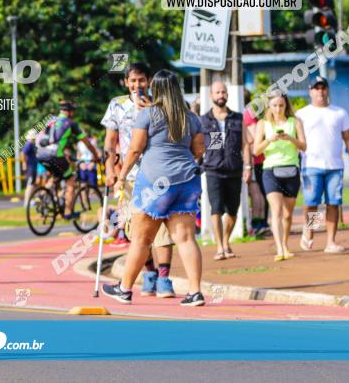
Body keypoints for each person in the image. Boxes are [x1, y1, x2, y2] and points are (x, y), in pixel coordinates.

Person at [103, 69, 206, 307]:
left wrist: (122, 176)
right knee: (186, 238)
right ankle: (195, 292)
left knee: (141, 238)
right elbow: (199, 150)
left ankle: (125, 289)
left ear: (155, 89)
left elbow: (135, 149)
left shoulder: (148, 114)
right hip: (187, 180)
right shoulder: (190, 117)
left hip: (155, 182)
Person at [101, 62, 176, 296]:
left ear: (149, 81)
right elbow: (110, 141)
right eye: (132, 81)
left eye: (141, 80)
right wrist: (110, 169)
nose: (137, 85)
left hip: (158, 176)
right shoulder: (117, 105)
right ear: (125, 82)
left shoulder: (160, 103)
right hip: (129, 176)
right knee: (136, 231)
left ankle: (164, 278)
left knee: (161, 227)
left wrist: (150, 109)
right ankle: (150, 272)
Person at [296, 77, 349, 253]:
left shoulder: (340, 113)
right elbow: (296, 141)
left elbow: (348, 139)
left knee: (333, 203)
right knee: (312, 202)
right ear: (310, 91)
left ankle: (330, 241)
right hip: (311, 165)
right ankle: (310, 231)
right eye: (316, 88)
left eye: (323, 88)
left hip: (335, 166)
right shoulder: (302, 114)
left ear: (327, 90)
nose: (320, 92)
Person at [200, 81, 252, 261]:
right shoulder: (204, 120)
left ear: (227, 94)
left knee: (232, 210)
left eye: (223, 92)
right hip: (213, 169)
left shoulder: (238, 118)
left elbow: (245, 143)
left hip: (234, 169)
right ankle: (220, 247)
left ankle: (226, 240)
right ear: (211, 96)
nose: (220, 95)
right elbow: (199, 146)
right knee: (216, 208)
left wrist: (248, 166)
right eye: (217, 92)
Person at [253, 90, 306, 261]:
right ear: (269, 105)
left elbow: (304, 146)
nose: (278, 109)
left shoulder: (295, 122)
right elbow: (256, 151)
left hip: (291, 170)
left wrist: (290, 138)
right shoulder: (262, 124)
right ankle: (279, 249)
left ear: (286, 105)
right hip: (270, 170)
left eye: (281, 105)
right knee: (276, 210)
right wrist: (270, 140)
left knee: (288, 214)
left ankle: (285, 243)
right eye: (274, 105)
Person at [35, 100, 100, 219]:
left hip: (40, 154)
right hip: (54, 155)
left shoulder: (50, 120)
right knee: (70, 179)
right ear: (69, 112)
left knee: (56, 176)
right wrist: (96, 156)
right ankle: (68, 212)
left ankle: (41, 196)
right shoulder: (71, 123)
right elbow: (88, 144)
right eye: (73, 111)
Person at [243, 89, 270, 236]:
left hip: (256, 160)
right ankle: (261, 222)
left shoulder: (247, 114)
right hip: (257, 159)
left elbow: (253, 138)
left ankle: (259, 222)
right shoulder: (250, 113)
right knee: (259, 191)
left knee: (257, 191)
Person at [20, 129, 38, 206]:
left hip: (33, 167)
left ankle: (31, 201)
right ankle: (26, 202)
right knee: (30, 185)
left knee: (32, 185)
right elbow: (23, 153)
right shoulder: (29, 144)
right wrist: (24, 163)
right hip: (30, 168)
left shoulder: (32, 145)